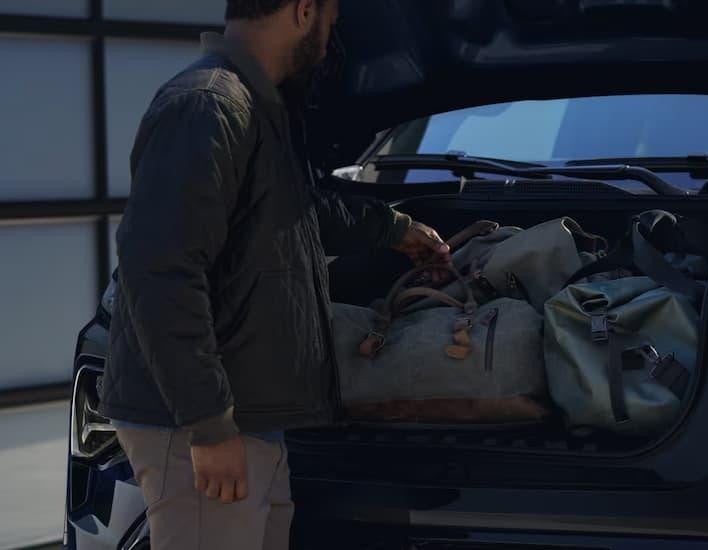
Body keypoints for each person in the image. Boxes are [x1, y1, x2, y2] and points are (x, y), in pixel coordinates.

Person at [97, 0, 452, 548]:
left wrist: (393, 228)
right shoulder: (210, 104)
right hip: (198, 426)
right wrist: (209, 424)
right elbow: (160, 272)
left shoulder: (255, 106)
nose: (332, 39)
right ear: (304, 11)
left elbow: (297, 212)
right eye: (332, 21)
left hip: (247, 420)